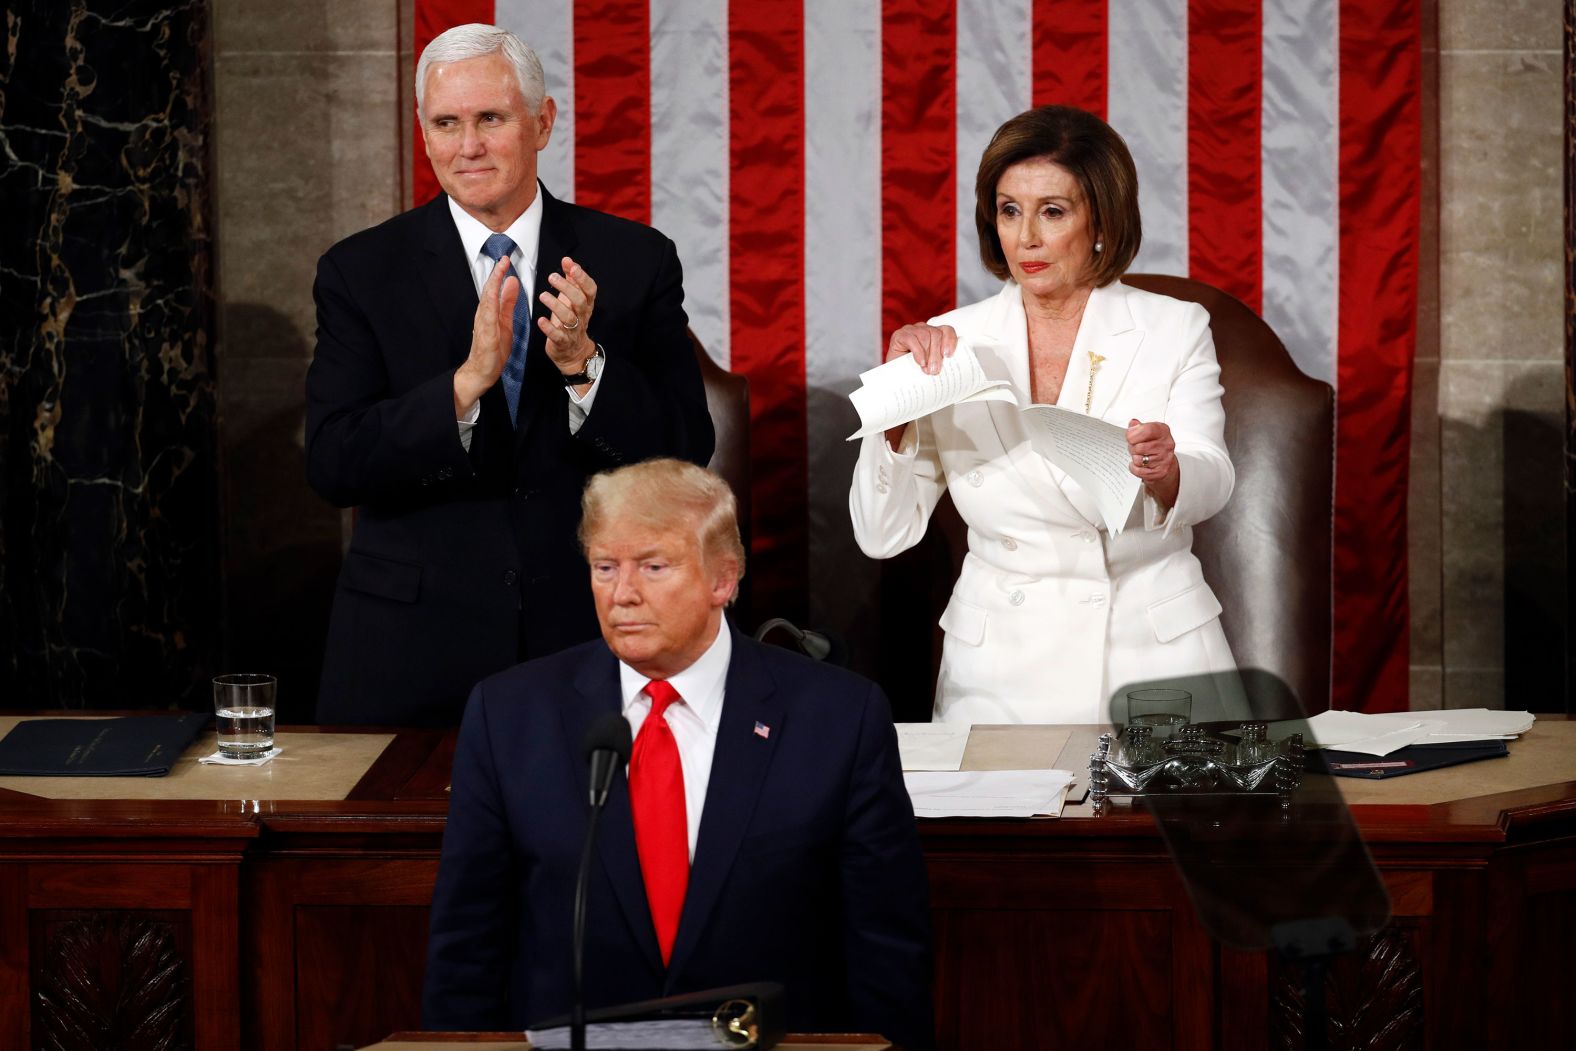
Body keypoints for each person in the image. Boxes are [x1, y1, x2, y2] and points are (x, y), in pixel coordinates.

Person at [423, 459, 934, 1048]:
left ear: (723, 578)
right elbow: (467, 944)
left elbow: (887, 950)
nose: (622, 595)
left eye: (653, 567)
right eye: (605, 567)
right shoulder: (510, 714)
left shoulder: (839, 718)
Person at [306, 24, 713, 726]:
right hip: (411, 651)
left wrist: (585, 366)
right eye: (447, 123)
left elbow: (685, 449)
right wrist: (463, 386)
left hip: (585, 637)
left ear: (542, 122)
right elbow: (334, 462)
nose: (468, 146)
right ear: (425, 133)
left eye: (490, 119)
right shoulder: (359, 272)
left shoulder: (635, 260)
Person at [849, 106, 1237, 725]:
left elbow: (1211, 474)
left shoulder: (1174, 326)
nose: (1025, 237)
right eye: (1009, 210)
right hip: (1001, 664)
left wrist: (1167, 471)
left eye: (1052, 211)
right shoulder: (949, 341)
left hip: (1154, 656)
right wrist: (895, 416)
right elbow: (882, 533)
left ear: (1101, 220)